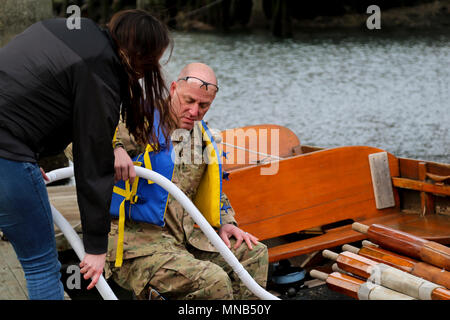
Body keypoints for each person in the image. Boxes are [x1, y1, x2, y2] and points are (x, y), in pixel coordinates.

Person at [0, 9, 176, 300]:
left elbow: (30, 92)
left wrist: (27, 162)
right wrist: (95, 248)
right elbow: (92, 160)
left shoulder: (74, 30)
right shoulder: (101, 69)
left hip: (12, 151)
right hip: (7, 153)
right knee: (41, 265)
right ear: (141, 55)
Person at [104, 63, 269, 300]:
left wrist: (226, 221)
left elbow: (214, 191)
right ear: (173, 89)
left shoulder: (201, 138)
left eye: (204, 105)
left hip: (184, 243)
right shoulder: (139, 122)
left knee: (254, 254)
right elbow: (78, 141)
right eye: (188, 101)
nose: (194, 111)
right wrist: (115, 149)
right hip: (137, 247)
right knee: (214, 280)